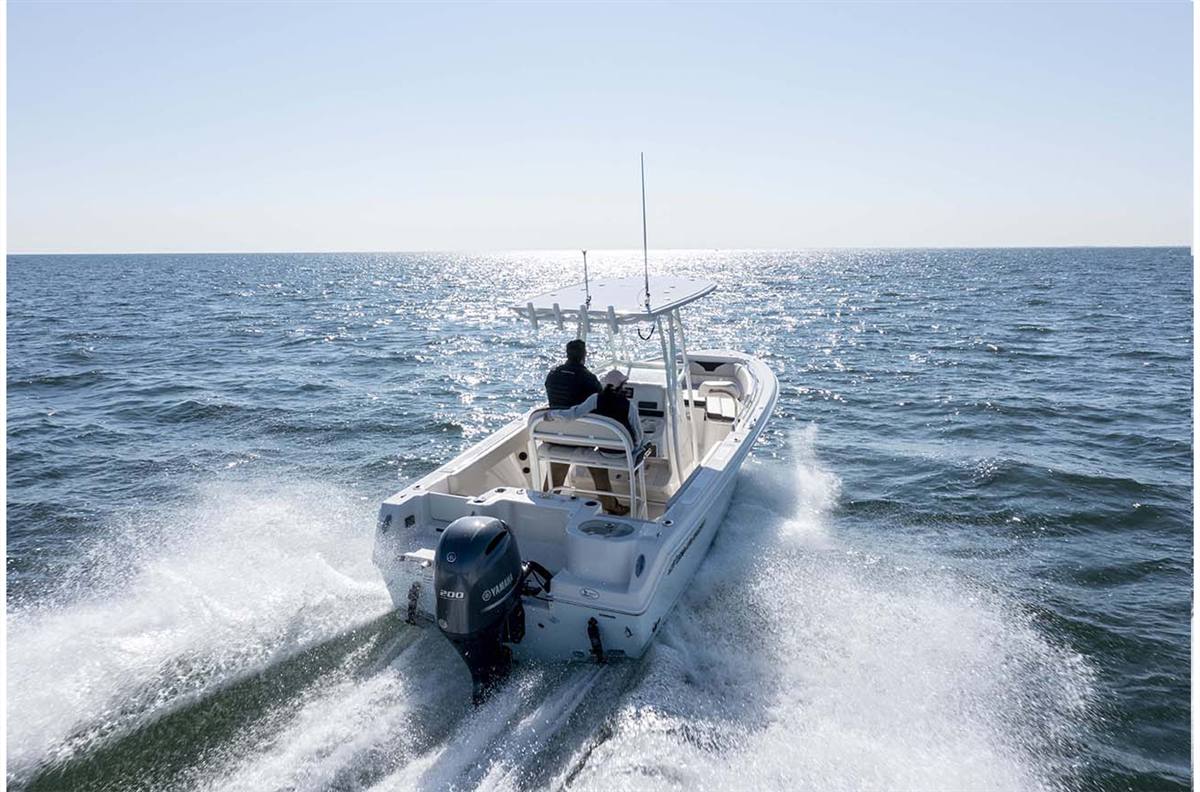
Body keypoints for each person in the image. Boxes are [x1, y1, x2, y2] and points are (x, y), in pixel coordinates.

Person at [543, 342, 640, 516]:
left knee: (558, 462)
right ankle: (610, 504)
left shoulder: (552, 375)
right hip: (579, 436)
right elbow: (601, 402)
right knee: (597, 463)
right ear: (584, 355)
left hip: (554, 435)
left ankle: (546, 502)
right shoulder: (587, 378)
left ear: (567, 354)